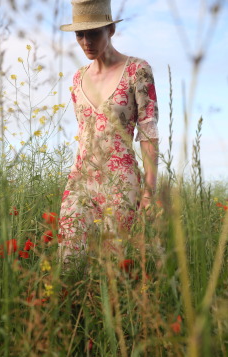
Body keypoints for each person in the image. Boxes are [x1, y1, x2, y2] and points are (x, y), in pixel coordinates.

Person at [58, 0, 159, 262]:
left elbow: (148, 132)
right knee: (68, 259)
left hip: (120, 183)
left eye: (93, 32)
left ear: (111, 29)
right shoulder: (77, 78)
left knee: (112, 265)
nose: (85, 42)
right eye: (80, 34)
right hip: (80, 180)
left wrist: (149, 191)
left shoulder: (138, 70)